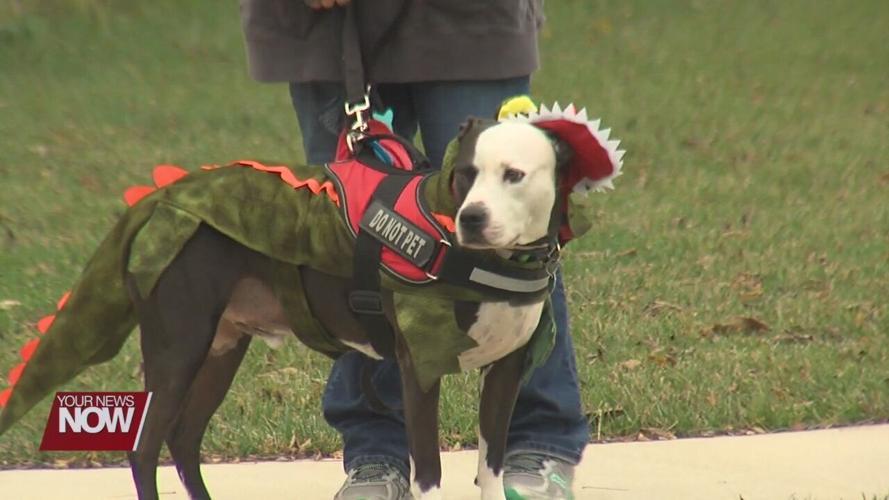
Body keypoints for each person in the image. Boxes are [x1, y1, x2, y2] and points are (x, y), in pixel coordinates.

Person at [239, 1, 589, 498]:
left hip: (465, 19)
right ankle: (377, 456)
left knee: (511, 230)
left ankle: (536, 443)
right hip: (330, 24)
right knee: (353, 239)